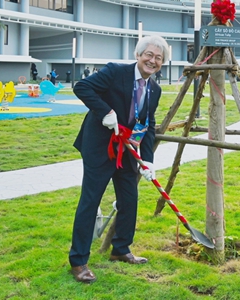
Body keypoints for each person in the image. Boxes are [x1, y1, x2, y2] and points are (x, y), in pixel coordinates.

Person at [68, 35, 169, 284]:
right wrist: (106, 112)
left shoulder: (155, 89)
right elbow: (82, 87)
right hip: (100, 148)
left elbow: (149, 124)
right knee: (90, 201)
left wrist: (148, 160)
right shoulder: (115, 72)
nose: (153, 61)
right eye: (149, 55)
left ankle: (121, 249)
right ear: (138, 55)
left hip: (126, 152)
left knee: (129, 199)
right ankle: (78, 261)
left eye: (158, 58)